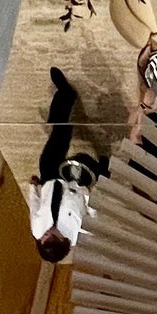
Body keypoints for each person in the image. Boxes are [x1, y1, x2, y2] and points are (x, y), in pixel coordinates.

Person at [27, 67, 108, 264]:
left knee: (60, 134)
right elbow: (91, 215)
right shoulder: (74, 233)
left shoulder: (37, 229)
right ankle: (103, 165)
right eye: (53, 237)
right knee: (95, 165)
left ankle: (64, 94)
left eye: (45, 238)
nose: (48, 233)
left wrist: (33, 187)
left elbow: (35, 207)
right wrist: (89, 195)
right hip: (75, 184)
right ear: (62, 241)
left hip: (50, 178)